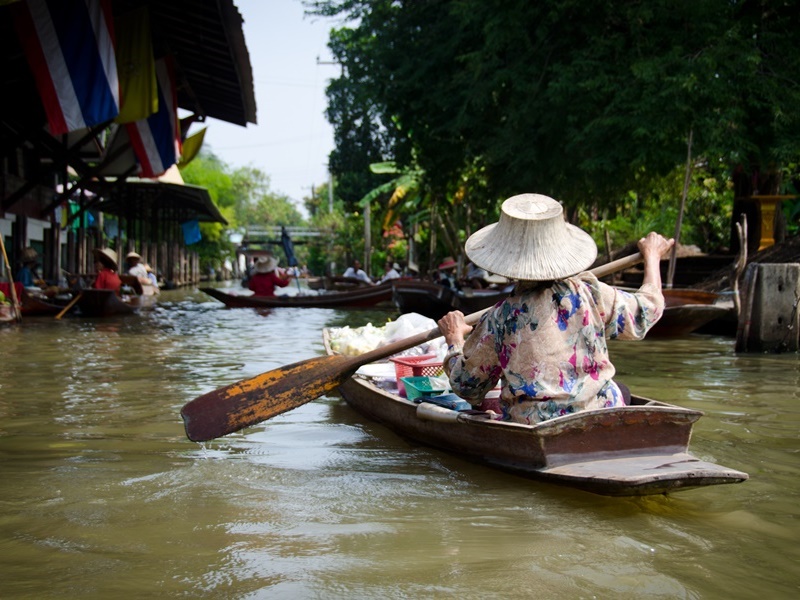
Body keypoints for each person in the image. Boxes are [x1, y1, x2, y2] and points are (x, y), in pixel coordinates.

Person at [437, 193, 674, 425]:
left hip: (538, 424)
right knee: (621, 390)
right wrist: (652, 256)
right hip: (601, 415)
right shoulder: (589, 290)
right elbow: (646, 312)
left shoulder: (501, 317)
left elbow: (467, 387)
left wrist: (454, 340)